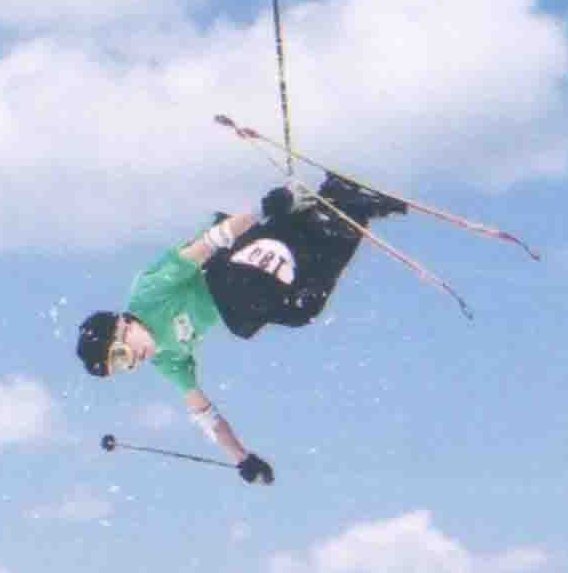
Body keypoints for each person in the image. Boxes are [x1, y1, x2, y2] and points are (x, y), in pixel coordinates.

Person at [74, 175, 407, 486]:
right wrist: (242, 458)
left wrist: (263, 209)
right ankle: (348, 215)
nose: (133, 361)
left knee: (244, 309)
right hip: (246, 288)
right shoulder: (167, 359)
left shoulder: (148, 294)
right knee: (301, 309)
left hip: (230, 252)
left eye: (120, 354)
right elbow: (205, 414)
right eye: (124, 367)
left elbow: (205, 245)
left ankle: (303, 214)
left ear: (121, 325)